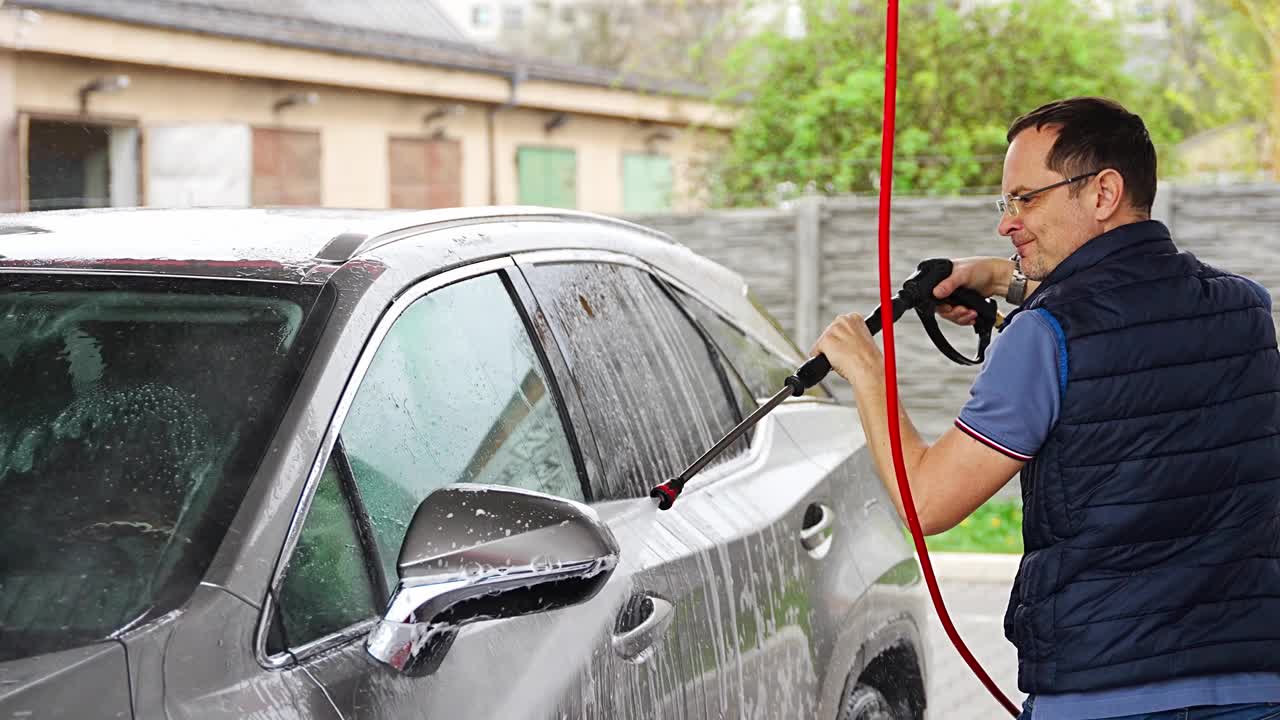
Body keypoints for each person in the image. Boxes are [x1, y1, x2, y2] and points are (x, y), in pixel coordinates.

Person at [811, 97, 1280, 720]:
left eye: (1026, 199)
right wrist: (1003, 279)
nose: (1007, 224)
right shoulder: (1245, 310)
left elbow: (926, 502)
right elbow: (1136, 305)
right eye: (1006, 203)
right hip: (1254, 687)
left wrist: (871, 375)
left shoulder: (1044, 334)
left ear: (1103, 192)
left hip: (1101, 697)